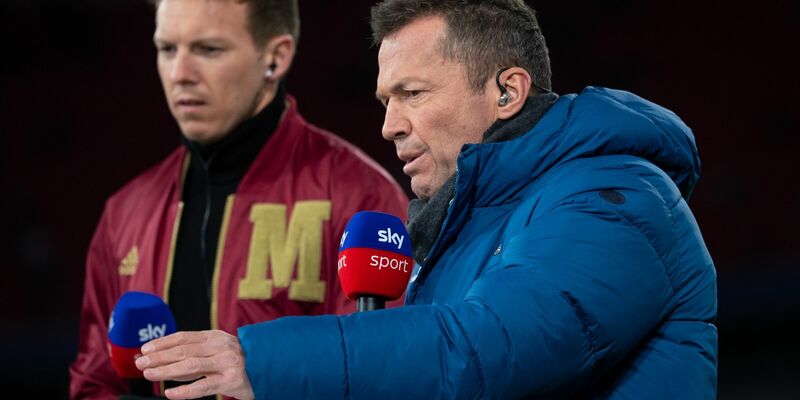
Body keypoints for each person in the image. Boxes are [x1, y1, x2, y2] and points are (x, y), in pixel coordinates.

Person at [134, 0, 719, 398]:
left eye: (412, 93)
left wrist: (263, 362)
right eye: (386, 100)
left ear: (506, 91)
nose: (389, 125)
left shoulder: (616, 198)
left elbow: (488, 350)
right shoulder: (464, 227)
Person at [69, 0, 408, 398]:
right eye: (167, 49)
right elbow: (94, 383)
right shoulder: (124, 211)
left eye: (208, 49)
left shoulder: (362, 197)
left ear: (276, 57)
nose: (179, 74)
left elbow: (383, 374)